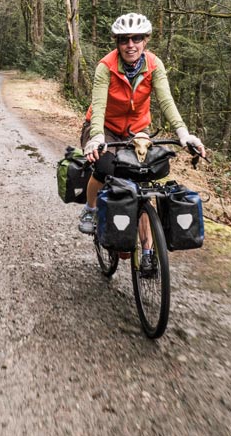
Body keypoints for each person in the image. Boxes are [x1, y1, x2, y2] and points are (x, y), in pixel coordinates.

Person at [77, 12, 207, 273]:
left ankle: (147, 251)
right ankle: (90, 209)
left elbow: (166, 101)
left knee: (142, 184)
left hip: (137, 130)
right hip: (103, 127)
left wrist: (184, 134)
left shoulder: (154, 65)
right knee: (102, 167)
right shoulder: (106, 66)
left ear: (145, 40)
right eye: (125, 39)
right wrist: (97, 138)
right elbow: (99, 105)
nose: (130, 44)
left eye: (136, 38)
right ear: (117, 42)